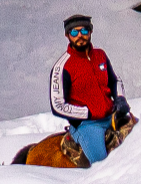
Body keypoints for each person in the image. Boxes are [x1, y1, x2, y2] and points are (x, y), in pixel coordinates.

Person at [50, 14, 124, 166]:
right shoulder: (61, 67)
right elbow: (57, 105)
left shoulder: (100, 55)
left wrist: (120, 99)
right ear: (67, 35)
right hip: (87, 126)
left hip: (111, 117)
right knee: (104, 166)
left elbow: (114, 80)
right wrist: (87, 113)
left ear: (90, 32)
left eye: (84, 31)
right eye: (74, 32)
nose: (80, 36)